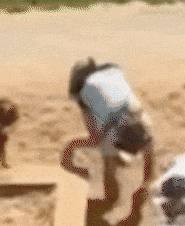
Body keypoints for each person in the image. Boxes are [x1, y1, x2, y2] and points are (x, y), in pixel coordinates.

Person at [61, 58, 154, 212]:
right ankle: (147, 183)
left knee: (108, 161)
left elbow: (95, 139)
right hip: (141, 120)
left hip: (118, 130)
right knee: (146, 147)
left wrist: (72, 145)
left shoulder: (85, 98)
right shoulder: (112, 75)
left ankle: (112, 198)